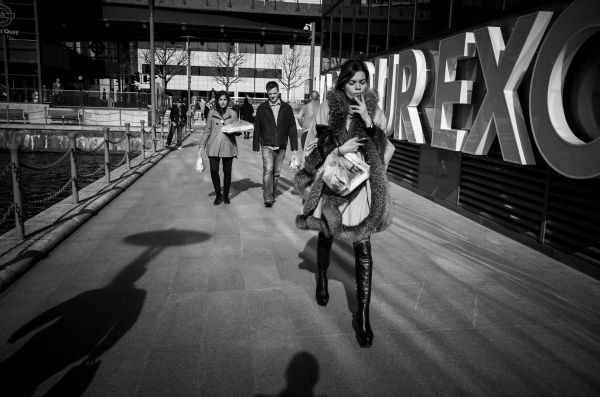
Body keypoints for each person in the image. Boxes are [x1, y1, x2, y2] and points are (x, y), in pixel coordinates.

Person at [294, 59, 395, 348]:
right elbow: (314, 146)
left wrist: (367, 119)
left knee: (363, 246)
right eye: (353, 83)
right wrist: (340, 148)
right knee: (326, 234)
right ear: (343, 83)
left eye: (363, 82)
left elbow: (382, 145)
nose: (359, 88)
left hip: (361, 185)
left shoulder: (372, 106)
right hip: (335, 181)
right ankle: (322, 278)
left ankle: (362, 316)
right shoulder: (329, 106)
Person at [253, 81, 298, 207]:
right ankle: (268, 197)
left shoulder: (287, 108)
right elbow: (258, 126)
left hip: (281, 146)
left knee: (276, 172)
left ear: (278, 92)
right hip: (267, 145)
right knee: (268, 170)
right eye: (270, 94)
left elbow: (292, 128)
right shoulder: (262, 108)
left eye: (274, 93)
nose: (272, 96)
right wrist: (256, 144)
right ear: (267, 93)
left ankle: (272, 194)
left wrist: (294, 148)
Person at [198, 91, 239, 205]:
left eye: (225, 99)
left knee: (227, 172)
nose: (223, 102)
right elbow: (207, 130)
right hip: (213, 146)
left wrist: (237, 131)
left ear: (228, 101)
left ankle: (225, 195)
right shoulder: (212, 112)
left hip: (228, 146)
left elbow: (237, 128)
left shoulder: (233, 113)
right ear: (217, 100)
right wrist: (202, 146)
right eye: (220, 99)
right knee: (214, 170)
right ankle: (218, 194)